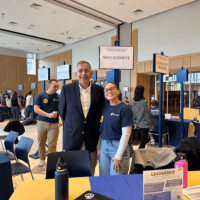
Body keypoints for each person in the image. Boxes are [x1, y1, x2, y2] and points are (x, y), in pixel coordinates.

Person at [59, 61, 105, 176]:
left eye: (86, 70)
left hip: (91, 138)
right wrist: (74, 125)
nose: (83, 73)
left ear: (91, 73)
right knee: (72, 171)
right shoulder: (66, 89)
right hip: (72, 137)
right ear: (76, 73)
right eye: (80, 70)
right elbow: (62, 112)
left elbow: (101, 113)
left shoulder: (99, 90)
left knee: (90, 170)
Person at [98, 82, 133, 176]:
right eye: (106, 90)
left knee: (116, 181)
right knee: (103, 179)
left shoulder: (124, 108)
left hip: (118, 148)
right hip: (104, 147)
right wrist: (99, 148)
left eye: (112, 89)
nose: (109, 91)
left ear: (118, 91)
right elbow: (101, 129)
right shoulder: (104, 108)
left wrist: (119, 155)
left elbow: (126, 134)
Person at [34, 79, 63, 167]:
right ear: (49, 86)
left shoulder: (58, 97)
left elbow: (59, 111)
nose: (56, 88)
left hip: (54, 124)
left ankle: (52, 160)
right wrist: (48, 115)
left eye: (57, 86)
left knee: (52, 144)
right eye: (55, 86)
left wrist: (60, 119)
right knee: (41, 142)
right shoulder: (41, 95)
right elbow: (36, 109)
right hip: (42, 122)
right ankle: (42, 158)